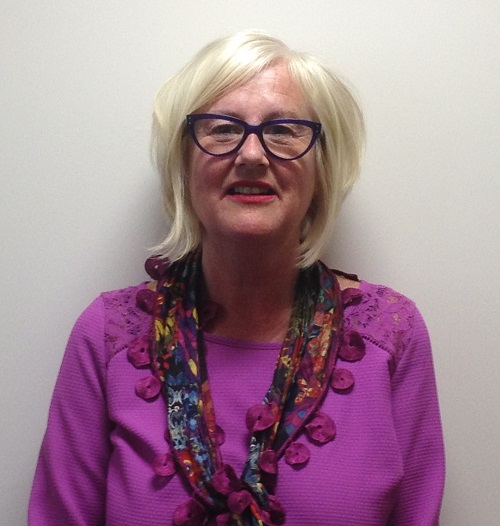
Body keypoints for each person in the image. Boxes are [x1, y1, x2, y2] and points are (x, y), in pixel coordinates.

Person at [28, 30, 445, 525]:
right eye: (222, 129)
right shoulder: (107, 337)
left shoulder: (390, 336)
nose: (251, 155)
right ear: (183, 163)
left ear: (322, 168)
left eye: (284, 129)